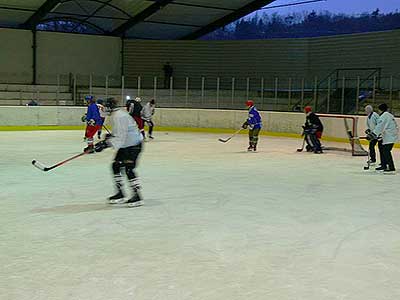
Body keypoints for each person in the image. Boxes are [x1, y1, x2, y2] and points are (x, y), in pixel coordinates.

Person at [95, 97, 144, 207]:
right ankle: (120, 193)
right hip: (126, 145)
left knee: (128, 168)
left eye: (102, 107)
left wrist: (105, 144)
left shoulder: (119, 116)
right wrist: (107, 139)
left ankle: (137, 196)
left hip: (133, 145)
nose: (101, 110)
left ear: (108, 107)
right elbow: (119, 134)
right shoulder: (115, 115)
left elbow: (120, 138)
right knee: (116, 166)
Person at [367, 103, 399, 174]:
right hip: (389, 136)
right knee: (383, 150)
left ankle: (391, 167)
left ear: (380, 110)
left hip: (389, 137)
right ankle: (384, 165)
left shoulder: (384, 116)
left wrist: (373, 134)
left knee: (386, 151)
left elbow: (380, 126)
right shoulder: (389, 115)